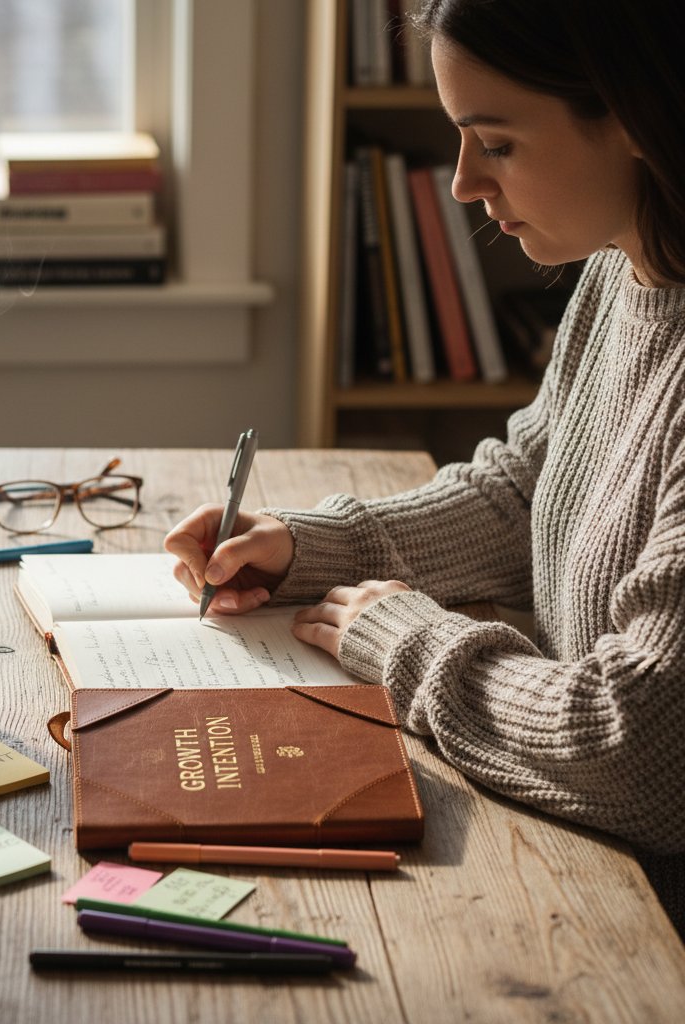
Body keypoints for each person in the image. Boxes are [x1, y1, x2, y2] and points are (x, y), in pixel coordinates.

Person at [164, 0, 685, 937]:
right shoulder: (625, 270)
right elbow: (534, 487)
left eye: (497, 142)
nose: (461, 184)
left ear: (636, 116)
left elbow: (637, 748)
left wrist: (408, 641)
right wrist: (304, 548)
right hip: (586, 857)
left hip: (646, 921)